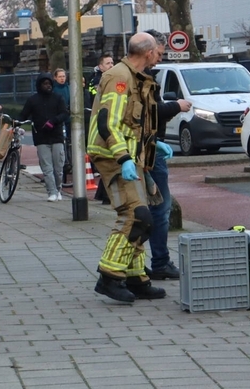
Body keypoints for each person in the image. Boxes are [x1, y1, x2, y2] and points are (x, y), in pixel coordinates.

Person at [88, 32, 165, 303]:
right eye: (158, 51)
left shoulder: (135, 78)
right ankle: (110, 277)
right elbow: (109, 122)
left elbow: (134, 123)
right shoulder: (120, 78)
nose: (160, 55)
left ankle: (135, 278)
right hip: (114, 156)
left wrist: (152, 145)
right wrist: (123, 158)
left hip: (131, 157)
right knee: (135, 215)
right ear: (147, 52)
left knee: (144, 220)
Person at [143, 29, 192, 281]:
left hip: (150, 146)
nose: (160, 59)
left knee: (148, 210)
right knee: (158, 209)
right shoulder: (141, 78)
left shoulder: (146, 76)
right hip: (148, 150)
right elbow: (147, 113)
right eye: (159, 54)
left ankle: (138, 265)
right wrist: (176, 106)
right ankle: (159, 262)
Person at [19, 73, 69, 201]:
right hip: (41, 138)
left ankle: (58, 189)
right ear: (39, 85)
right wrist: (17, 124)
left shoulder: (58, 98)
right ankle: (51, 192)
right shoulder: (33, 100)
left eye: (49, 84)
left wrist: (54, 121)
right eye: (44, 84)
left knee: (58, 167)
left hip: (56, 136)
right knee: (47, 167)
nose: (47, 86)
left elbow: (64, 113)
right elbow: (23, 115)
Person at [88, 54, 116, 204]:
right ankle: (106, 196)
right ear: (100, 66)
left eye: (112, 62)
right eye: (108, 63)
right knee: (108, 161)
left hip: (105, 121)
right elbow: (98, 97)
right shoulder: (97, 80)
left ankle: (104, 195)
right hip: (100, 123)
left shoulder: (109, 79)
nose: (111, 65)